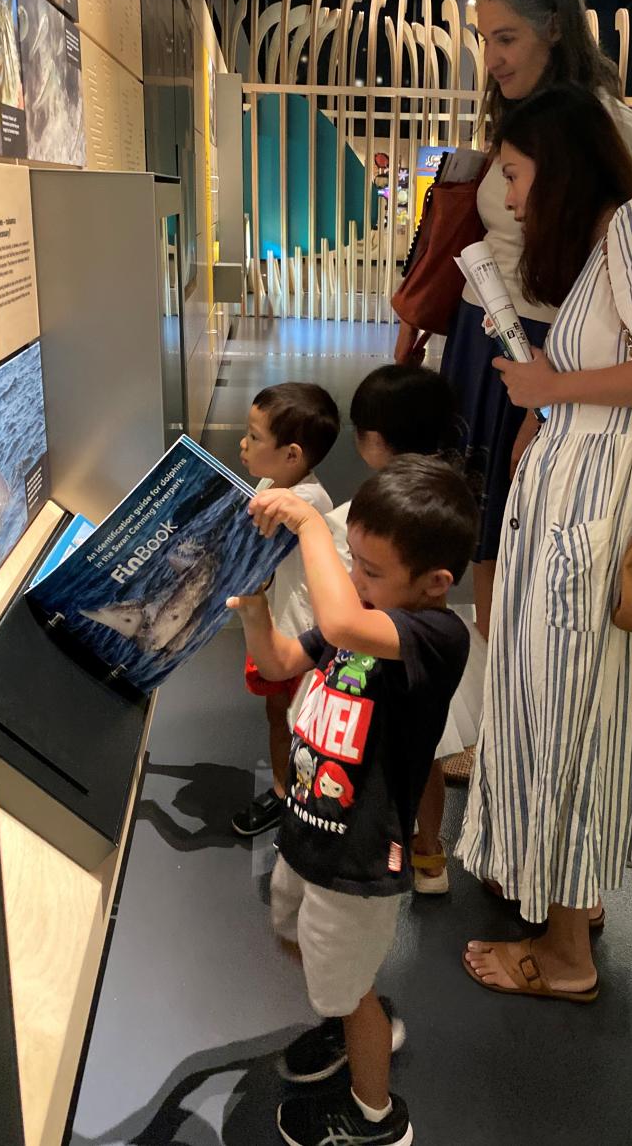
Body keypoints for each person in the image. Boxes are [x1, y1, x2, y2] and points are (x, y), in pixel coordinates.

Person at [456, 85, 632, 1001]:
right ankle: (572, 896)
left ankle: (565, 955)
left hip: (591, 522)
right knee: (566, 706)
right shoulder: (611, 245)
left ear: (558, 165)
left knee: (566, 711)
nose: (513, 197)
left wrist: (549, 393)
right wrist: (545, 405)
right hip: (571, 510)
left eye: (518, 174)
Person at [395, 0, 632, 744]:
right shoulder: (516, 116)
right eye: (484, 39)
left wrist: (562, 377)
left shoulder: (602, 121)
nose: (493, 57)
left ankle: (513, 719)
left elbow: (610, 258)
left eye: (506, 37)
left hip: (549, 343)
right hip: (480, 326)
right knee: (479, 523)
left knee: (530, 527)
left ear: (554, 28)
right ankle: (483, 713)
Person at [228, 455, 477, 1146]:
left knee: (349, 990)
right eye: (353, 564)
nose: (355, 581)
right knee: (294, 935)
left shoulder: (433, 635)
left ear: (434, 583)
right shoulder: (363, 618)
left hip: (362, 854)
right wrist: (253, 615)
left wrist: (310, 522)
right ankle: (349, 1015)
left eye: (369, 569)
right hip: (308, 833)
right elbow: (282, 661)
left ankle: (374, 1116)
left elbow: (337, 625)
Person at [325, 364, 469, 894]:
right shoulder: (443, 488)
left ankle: (375, 842)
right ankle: (430, 854)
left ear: (373, 438)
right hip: (433, 646)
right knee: (429, 752)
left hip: (385, 651)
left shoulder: (372, 511)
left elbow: (341, 609)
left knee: (383, 756)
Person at [231, 382, 340, 837]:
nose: (243, 443)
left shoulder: (299, 502)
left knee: (296, 721)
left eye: (254, 437)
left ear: (292, 455)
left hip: (299, 636)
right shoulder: (274, 488)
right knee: (280, 715)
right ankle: (285, 791)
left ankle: (294, 798)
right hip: (278, 627)